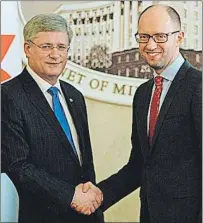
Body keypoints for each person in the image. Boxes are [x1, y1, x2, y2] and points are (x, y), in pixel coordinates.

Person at [73, 4, 202, 223]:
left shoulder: (198, 87)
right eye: (144, 37)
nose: (151, 45)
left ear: (179, 37)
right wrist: (100, 195)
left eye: (160, 36)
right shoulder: (143, 94)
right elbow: (140, 165)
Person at [1, 14, 104, 223]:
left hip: (85, 216)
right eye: (46, 46)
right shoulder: (8, 95)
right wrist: (70, 196)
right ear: (27, 49)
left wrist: (92, 204)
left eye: (61, 47)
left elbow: (84, 164)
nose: (55, 55)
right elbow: (18, 166)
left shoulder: (75, 96)